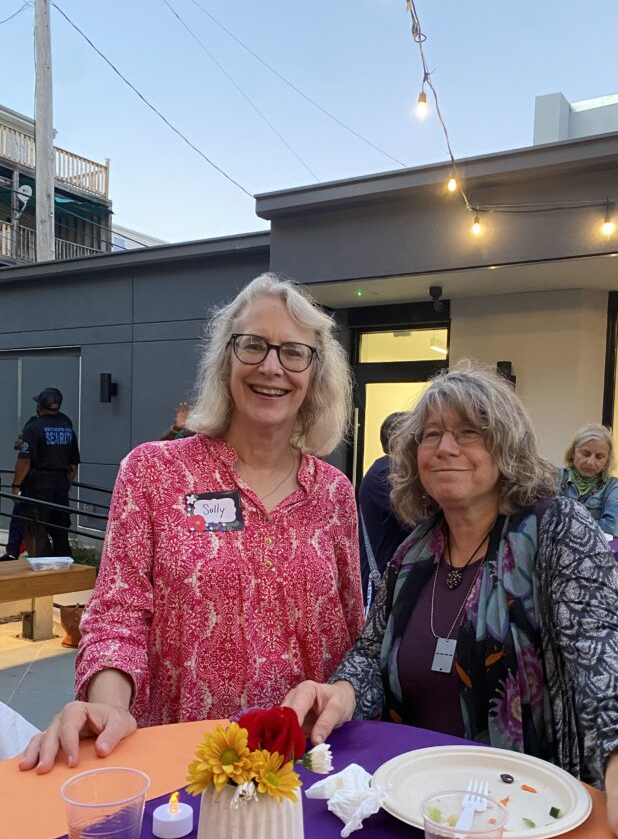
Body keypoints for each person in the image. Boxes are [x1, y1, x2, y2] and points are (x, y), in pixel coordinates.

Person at [285, 362, 618, 839]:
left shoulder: (557, 533)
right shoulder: (413, 553)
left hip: (527, 828)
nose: (445, 447)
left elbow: (604, 664)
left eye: (468, 433)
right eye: (430, 435)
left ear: (505, 447)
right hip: (410, 813)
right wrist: (343, 691)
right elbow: (372, 654)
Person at [21, 273, 364, 773]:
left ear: (315, 374)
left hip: (307, 770)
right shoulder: (154, 473)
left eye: (293, 352)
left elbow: (354, 631)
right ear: (226, 359)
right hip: (180, 772)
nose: (271, 366)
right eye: (253, 346)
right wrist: (109, 704)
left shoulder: (334, 493)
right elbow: (118, 614)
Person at [11, 390, 80, 557]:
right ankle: (64, 567)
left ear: (39, 406)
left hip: (38, 485)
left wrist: (16, 486)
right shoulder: (68, 428)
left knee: (35, 528)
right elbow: (73, 464)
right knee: (60, 530)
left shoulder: (33, 428)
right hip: (60, 485)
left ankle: (42, 567)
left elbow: (25, 461)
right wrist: (66, 484)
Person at [358, 412, 411, 610]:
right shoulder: (387, 473)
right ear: (399, 440)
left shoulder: (384, 469)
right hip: (382, 587)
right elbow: (420, 522)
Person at [557, 423, 618, 537]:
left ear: (607, 461)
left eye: (599, 457)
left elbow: (613, 528)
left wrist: (566, 527)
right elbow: (544, 521)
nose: (590, 462)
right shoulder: (556, 476)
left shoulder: (613, 485)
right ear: (573, 453)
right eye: (585, 453)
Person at [1, 420, 35, 561]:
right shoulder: (32, 425)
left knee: (20, 517)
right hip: (35, 481)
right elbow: (17, 444)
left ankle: (14, 551)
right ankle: (13, 551)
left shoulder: (34, 426)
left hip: (32, 482)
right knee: (19, 518)